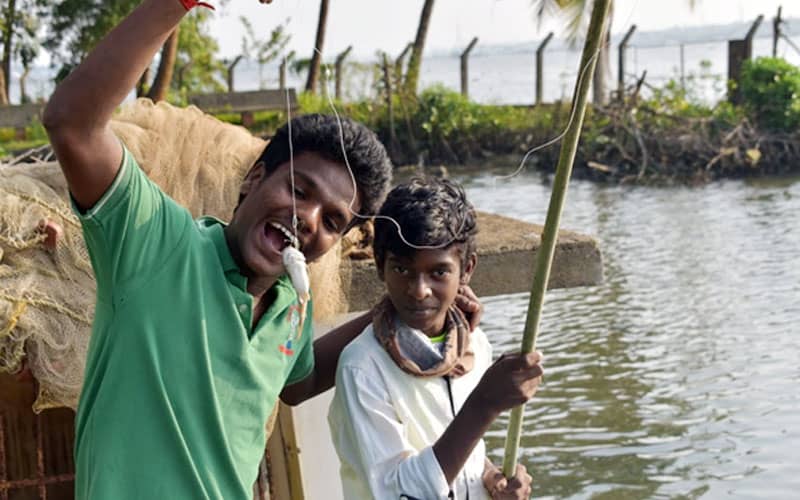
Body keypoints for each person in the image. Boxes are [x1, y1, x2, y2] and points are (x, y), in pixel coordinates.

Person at [41, 1, 485, 498]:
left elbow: (295, 384)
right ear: (254, 178)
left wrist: (398, 311)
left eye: (333, 220)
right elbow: (72, 124)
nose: (309, 219)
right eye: (299, 190)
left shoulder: (292, 304)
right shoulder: (155, 242)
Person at [328, 178, 545, 500]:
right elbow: (396, 492)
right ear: (379, 267)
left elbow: (459, 449)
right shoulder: (362, 367)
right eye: (401, 269)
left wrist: (489, 476)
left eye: (439, 272)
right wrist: (483, 405)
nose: (419, 290)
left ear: (466, 269)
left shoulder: (476, 344)